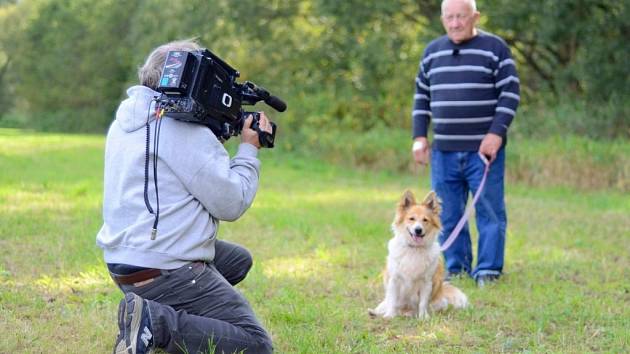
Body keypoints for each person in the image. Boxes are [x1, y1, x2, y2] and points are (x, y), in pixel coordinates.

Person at [96, 39, 274, 354]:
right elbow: (231, 203)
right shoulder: (183, 129)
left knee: (237, 261)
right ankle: (156, 322)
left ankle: (152, 317)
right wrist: (249, 148)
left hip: (124, 262)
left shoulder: (128, 118)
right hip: (164, 267)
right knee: (254, 344)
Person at [411, 0, 520, 287]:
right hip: (444, 150)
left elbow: (510, 93)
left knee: (490, 211)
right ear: (442, 18)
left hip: (483, 151)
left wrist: (496, 134)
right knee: (447, 213)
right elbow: (421, 98)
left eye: (461, 16)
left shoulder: (495, 48)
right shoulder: (432, 52)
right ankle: (457, 268)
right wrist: (419, 137)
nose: (455, 23)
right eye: (449, 17)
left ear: (475, 17)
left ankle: (488, 271)